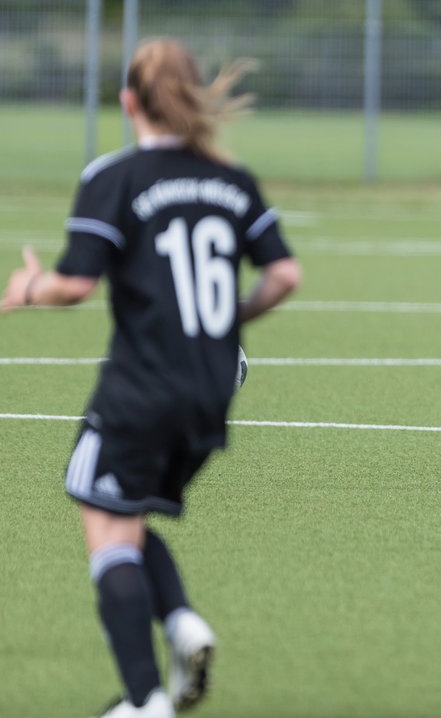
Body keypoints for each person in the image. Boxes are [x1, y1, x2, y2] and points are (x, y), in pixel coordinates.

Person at [2, 38, 301, 717]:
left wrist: (28, 284)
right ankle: (183, 624)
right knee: (125, 515)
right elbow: (284, 275)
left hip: (142, 386)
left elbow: (75, 283)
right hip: (211, 388)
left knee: (100, 517)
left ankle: (143, 703)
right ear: (193, 97)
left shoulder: (117, 174)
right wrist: (230, 322)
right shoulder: (230, 176)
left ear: (128, 101)